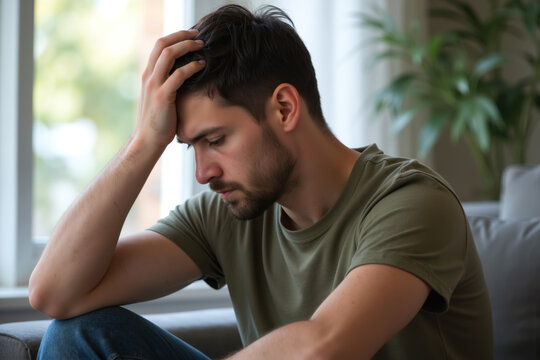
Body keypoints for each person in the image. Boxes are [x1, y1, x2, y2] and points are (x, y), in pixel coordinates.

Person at [29, 4, 493, 360]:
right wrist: (142, 144)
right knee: (75, 336)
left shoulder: (412, 202)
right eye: (191, 146)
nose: (203, 172)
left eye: (215, 139)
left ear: (285, 108)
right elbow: (55, 293)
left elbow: (325, 348)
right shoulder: (230, 209)